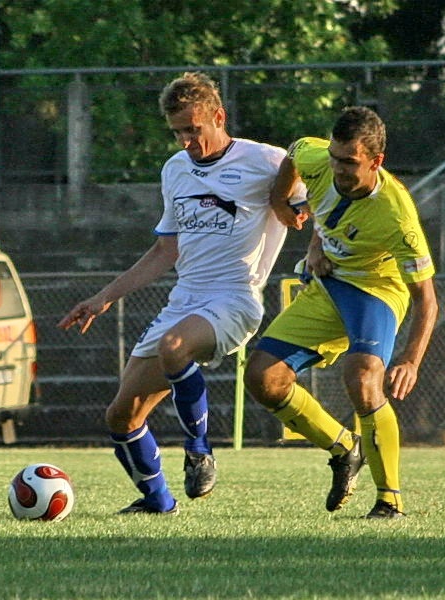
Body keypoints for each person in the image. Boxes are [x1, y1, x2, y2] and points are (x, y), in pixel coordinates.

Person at [57, 72, 303, 515]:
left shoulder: (265, 161)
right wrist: (104, 296)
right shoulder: (174, 169)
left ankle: (199, 449)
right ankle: (158, 502)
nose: (187, 140)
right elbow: (164, 249)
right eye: (178, 132)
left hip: (235, 297)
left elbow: (313, 194)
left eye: (195, 129)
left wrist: (311, 237)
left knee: (174, 348)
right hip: (185, 299)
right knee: (122, 416)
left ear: (218, 117)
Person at [244, 106, 439, 519]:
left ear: (376, 161)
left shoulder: (397, 215)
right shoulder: (319, 160)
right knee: (263, 377)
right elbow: (295, 154)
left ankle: (389, 500)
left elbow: (427, 298)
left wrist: (410, 360)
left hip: (376, 290)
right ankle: (343, 447)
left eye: (349, 162)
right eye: (334, 157)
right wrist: (282, 202)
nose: (337, 168)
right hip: (328, 285)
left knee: (363, 376)